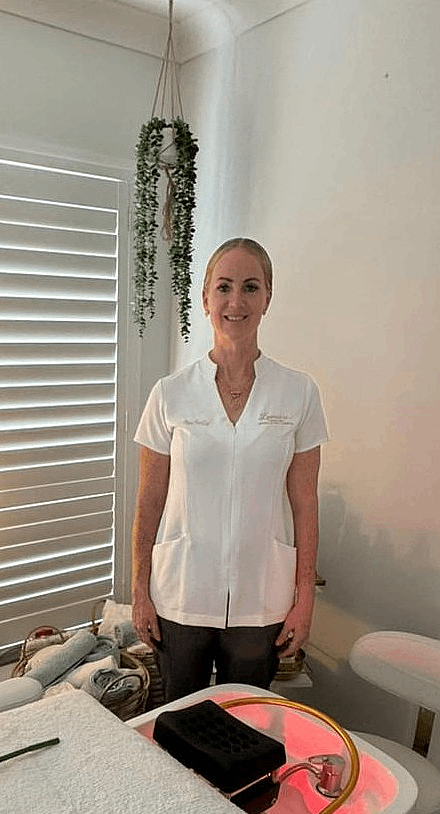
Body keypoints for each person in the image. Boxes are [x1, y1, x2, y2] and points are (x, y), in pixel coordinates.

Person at [131, 237, 328, 700]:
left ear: (267, 299)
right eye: (223, 287)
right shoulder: (170, 393)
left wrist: (305, 595)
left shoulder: (298, 392)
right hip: (180, 594)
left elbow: (305, 501)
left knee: (247, 722)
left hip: (261, 598)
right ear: (205, 299)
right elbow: (150, 498)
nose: (235, 301)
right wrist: (140, 587)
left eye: (250, 287)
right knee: (180, 719)